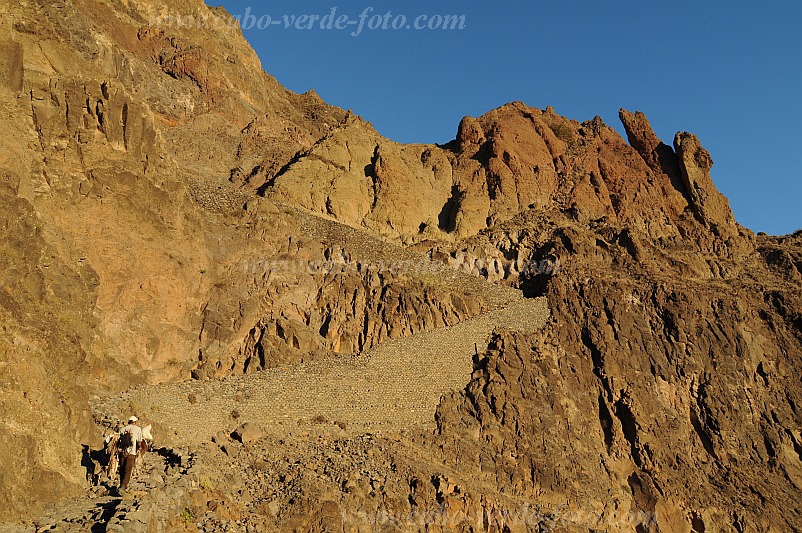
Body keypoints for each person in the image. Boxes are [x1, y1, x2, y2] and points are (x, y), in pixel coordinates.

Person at [118, 416, 143, 491]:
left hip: (122, 452)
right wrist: (140, 447)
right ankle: (124, 485)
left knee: (122, 468)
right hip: (132, 452)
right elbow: (139, 441)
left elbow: (118, 438)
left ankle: (121, 484)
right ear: (135, 422)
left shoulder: (123, 429)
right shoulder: (138, 429)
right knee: (128, 469)